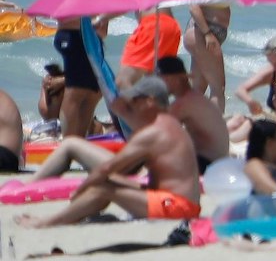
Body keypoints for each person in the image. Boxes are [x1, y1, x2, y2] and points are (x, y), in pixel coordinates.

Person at [16, 76, 200, 228]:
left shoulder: (154, 133)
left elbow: (108, 168)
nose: (132, 105)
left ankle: (47, 223)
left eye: (136, 101)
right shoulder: (171, 125)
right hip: (180, 202)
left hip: (176, 207)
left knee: (104, 188)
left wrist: (80, 191)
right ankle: (79, 214)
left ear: (150, 102)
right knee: (109, 182)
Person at [50, 0, 104, 139]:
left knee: (94, 91)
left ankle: (78, 141)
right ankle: (70, 143)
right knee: (77, 91)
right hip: (74, 34)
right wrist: (97, 20)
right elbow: (69, 6)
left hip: (82, 35)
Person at [151, 56, 231, 169]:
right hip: (217, 160)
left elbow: (155, 130)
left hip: (208, 163)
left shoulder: (184, 103)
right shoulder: (194, 97)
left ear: (173, 79)